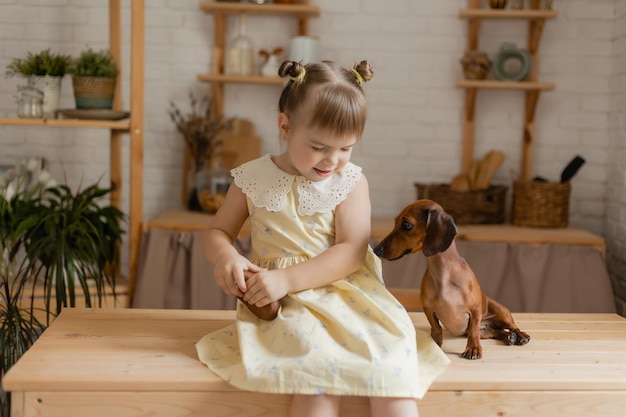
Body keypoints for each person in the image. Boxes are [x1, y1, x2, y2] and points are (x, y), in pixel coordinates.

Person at [196, 60, 450, 417]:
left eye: (346, 148)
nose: (333, 160)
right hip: (285, 303)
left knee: (392, 375)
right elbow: (217, 233)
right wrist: (227, 257)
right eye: (319, 147)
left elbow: (350, 252)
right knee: (314, 378)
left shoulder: (351, 183)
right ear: (285, 126)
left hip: (349, 296)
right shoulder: (251, 178)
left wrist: (287, 278)